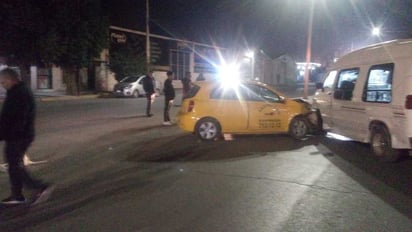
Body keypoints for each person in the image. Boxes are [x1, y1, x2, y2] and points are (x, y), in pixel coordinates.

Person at [0, 68, 52, 204]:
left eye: (3, 82)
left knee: (15, 164)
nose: (2, 85)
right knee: (13, 164)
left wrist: (7, 134)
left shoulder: (20, 93)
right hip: (16, 135)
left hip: (19, 136)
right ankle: (17, 195)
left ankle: (40, 187)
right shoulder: (16, 92)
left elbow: (17, 118)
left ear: (11, 79)